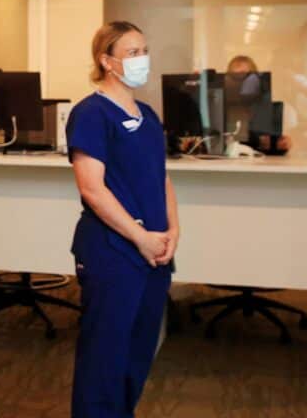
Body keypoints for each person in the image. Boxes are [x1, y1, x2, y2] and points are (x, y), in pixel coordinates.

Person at [67, 21, 181, 418]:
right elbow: (92, 189)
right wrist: (140, 237)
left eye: (144, 51)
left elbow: (161, 177)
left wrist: (173, 230)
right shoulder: (91, 114)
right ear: (106, 61)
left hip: (154, 255)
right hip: (113, 251)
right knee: (104, 357)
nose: (141, 59)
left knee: (137, 353)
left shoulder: (147, 114)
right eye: (132, 53)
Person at [225, 55, 291, 154]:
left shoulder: (270, 109)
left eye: (245, 76)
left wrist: (282, 143)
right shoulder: (219, 109)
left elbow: (277, 143)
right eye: (235, 77)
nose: (240, 82)